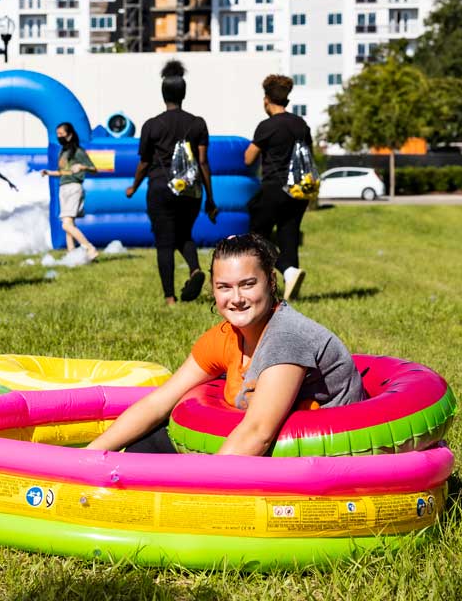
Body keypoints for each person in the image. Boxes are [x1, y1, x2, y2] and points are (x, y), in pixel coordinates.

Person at [87, 233, 366, 455]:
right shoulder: (224, 336)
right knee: (151, 440)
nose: (236, 298)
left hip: (320, 457)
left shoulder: (287, 337)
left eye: (247, 284)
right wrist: (87, 457)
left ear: (270, 281)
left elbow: (258, 433)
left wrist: (198, 494)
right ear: (213, 289)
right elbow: (159, 402)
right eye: (224, 287)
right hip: (262, 444)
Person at [125, 60, 218, 305]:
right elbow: (203, 163)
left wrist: (134, 187)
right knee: (184, 233)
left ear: (163, 93)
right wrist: (210, 198)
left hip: (160, 188)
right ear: (184, 93)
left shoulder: (152, 125)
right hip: (190, 190)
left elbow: (144, 163)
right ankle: (195, 269)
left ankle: (169, 298)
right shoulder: (198, 123)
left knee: (165, 242)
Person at [244, 74, 313, 300]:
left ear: (266, 99)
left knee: (256, 236)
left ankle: (286, 268)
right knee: (289, 235)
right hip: (299, 191)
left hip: (274, 188)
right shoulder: (300, 124)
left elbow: (249, 158)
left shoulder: (267, 126)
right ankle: (291, 282)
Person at [41, 122, 98, 259]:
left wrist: (83, 167)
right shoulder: (63, 152)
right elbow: (63, 172)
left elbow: (94, 169)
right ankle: (71, 254)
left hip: (74, 187)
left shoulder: (78, 152)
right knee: (69, 224)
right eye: (57, 134)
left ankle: (89, 248)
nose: (59, 136)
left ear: (70, 134)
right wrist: (49, 172)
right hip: (63, 187)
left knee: (66, 225)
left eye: (61, 133)